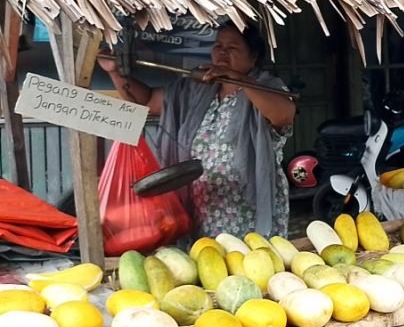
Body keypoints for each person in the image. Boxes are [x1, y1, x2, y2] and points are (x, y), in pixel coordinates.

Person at [98, 21, 297, 238]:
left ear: (253, 56)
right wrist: (115, 72)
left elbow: (283, 114)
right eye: (218, 46)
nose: (222, 52)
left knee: (251, 266)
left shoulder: (266, 87)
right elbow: (146, 101)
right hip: (202, 210)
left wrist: (239, 79)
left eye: (232, 47)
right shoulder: (195, 90)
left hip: (248, 213)